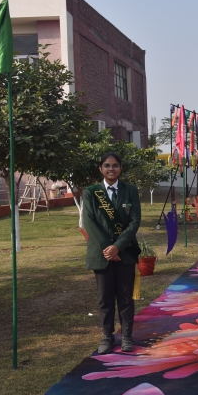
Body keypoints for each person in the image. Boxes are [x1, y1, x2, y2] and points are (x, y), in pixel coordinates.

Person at [83, 152, 142, 354]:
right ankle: (107, 337)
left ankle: (127, 336)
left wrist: (118, 246)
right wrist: (109, 249)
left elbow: (134, 221)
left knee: (125, 298)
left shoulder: (130, 190)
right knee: (105, 299)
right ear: (101, 169)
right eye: (107, 165)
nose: (111, 169)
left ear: (120, 168)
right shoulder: (91, 192)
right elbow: (89, 222)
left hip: (125, 252)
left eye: (115, 165)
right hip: (102, 254)